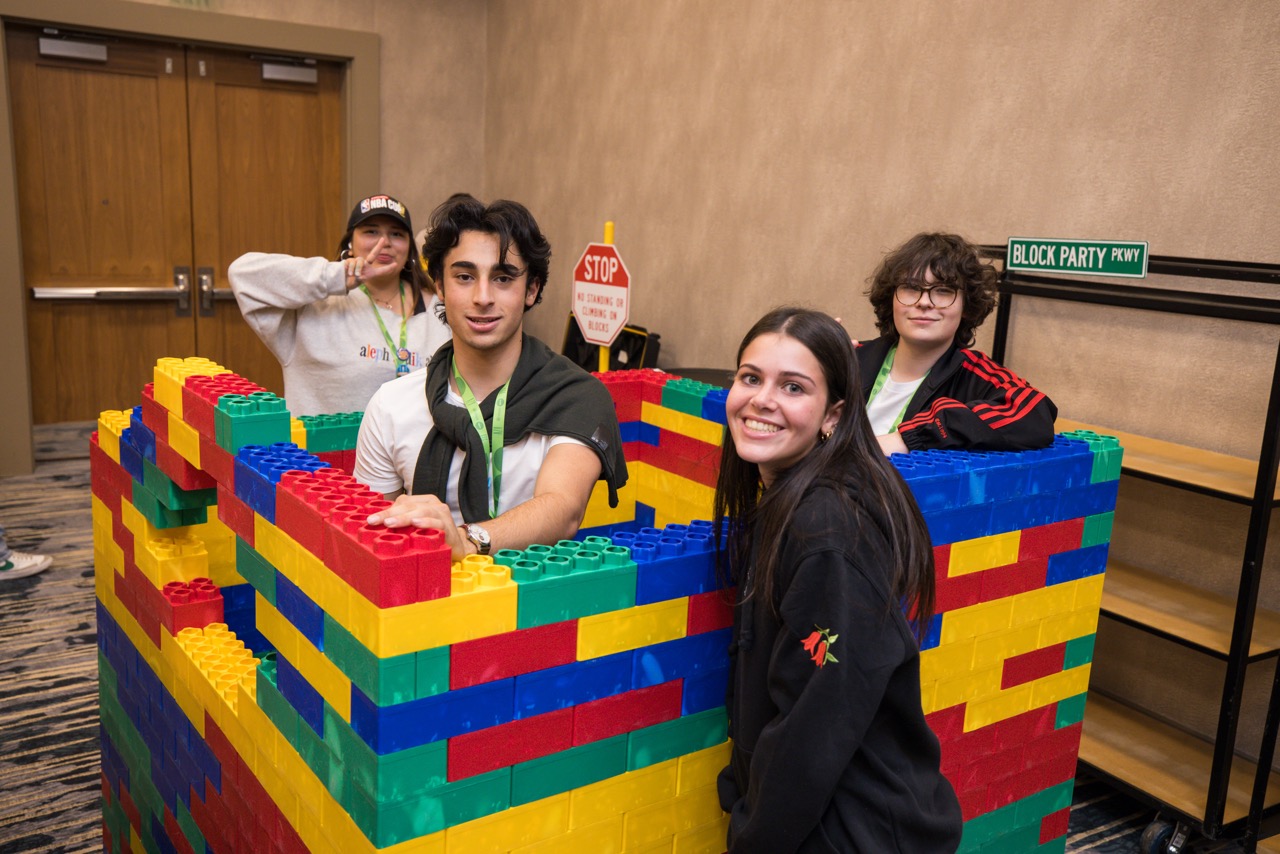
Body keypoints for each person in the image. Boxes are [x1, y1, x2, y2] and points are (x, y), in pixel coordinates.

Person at [715, 307, 961, 853]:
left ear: (833, 415)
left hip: (858, 831)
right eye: (750, 378)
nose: (761, 400)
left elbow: (815, 727)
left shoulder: (825, 530)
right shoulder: (791, 502)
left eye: (793, 387)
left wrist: (753, 836)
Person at [354, 193, 628, 561]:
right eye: (464, 277)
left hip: (538, 609)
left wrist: (466, 541)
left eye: (502, 278)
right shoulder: (391, 405)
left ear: (531, 290)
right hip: (424, 611)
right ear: (440, 286)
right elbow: (374, 538)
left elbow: (563, 508)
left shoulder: (576, 396)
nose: (483, 297)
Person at [228, 194, 451, 416]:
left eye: (396, 234)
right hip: (323, 449)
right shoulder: (314, 305)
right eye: (371, 231)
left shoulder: (440, 308)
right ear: (350, 245)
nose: (385, 243)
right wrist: (337, 276)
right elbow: (242, 274)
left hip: (412, 451)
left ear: (409, 249)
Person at [858, 232, 1056, 454]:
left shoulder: (977, 376)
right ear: (891, 298)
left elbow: (1034, 413)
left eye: (943, 291)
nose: (924, 302)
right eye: (911, 288)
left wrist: (909, 438)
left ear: (966, 307)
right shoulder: (850, 358)